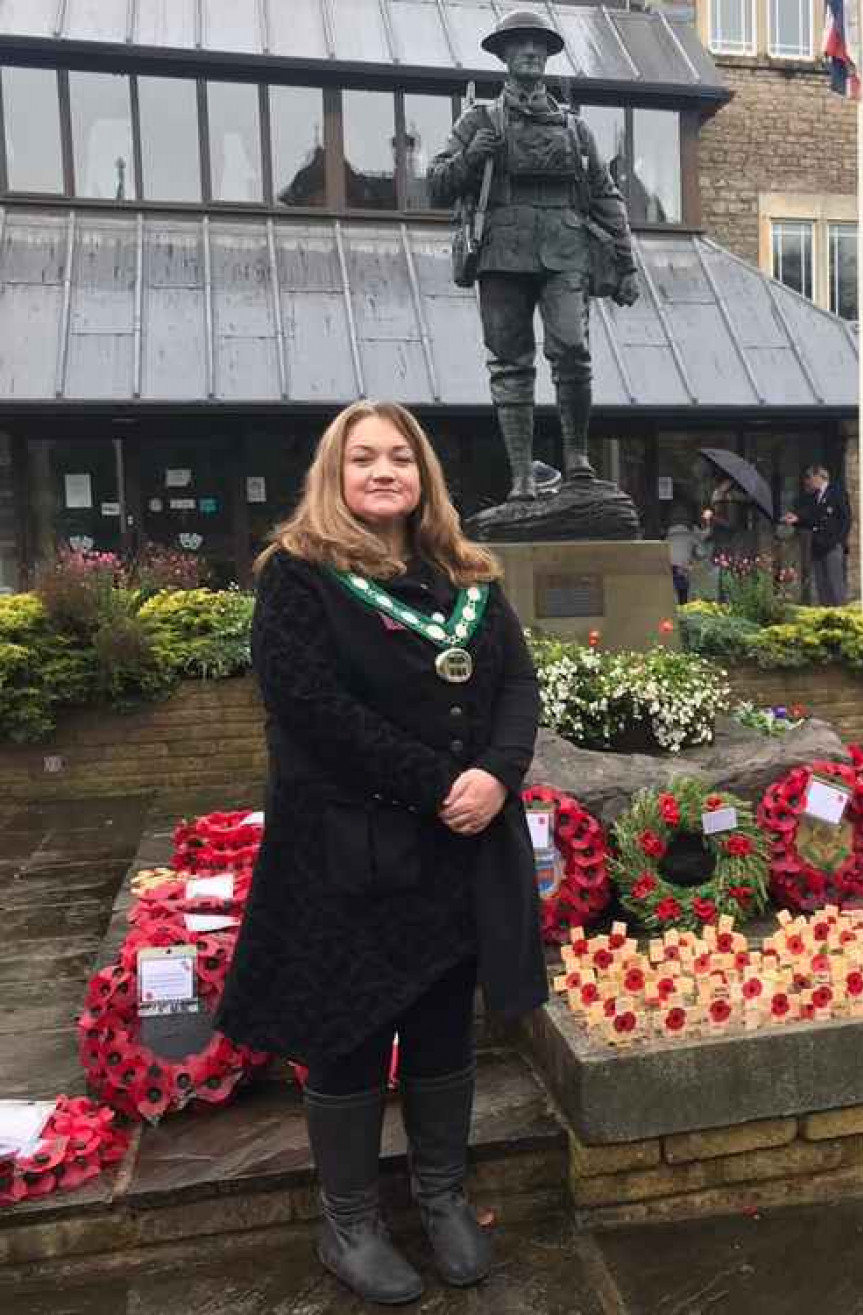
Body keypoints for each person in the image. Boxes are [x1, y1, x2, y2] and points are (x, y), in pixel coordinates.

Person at [217, 400, 547, 1306]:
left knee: (444, 1023)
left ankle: (441, 1198)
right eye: (362, 457)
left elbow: (516, 681)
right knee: (351, 1031)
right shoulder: (298, 575)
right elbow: (311, 709)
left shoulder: (464, 570)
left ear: (423, 474)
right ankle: (349, 1221)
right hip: (351, 853)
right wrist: (443, 784)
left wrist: (498, 772)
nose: (382, 471)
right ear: (334, 474)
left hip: (456, 849)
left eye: (400, 456)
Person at [428, 10, 639, 502]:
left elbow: (606, 195)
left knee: (572, 350)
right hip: (501, 249)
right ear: (503, 55)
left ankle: (578, 457)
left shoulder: (575, 127)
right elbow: (436, 184)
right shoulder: (478, 119)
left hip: (566, 248)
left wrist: (626, 262)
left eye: (538, 45)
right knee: (509, 364)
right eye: (520, 44)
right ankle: (523, 473)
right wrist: (472, 156)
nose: (530, 52)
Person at [782, 465, 852, 606]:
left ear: (818, 476)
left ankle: (840, 615)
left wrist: (839, 540)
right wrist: (796, 519)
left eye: (809, 478)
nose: (807, 482)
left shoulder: (836, 492)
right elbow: (812, 518)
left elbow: (846, 519)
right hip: (818, 545)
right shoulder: (814, 497)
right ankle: (826, 616)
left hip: (832, 545)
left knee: (834, 584)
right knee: (821, 585)